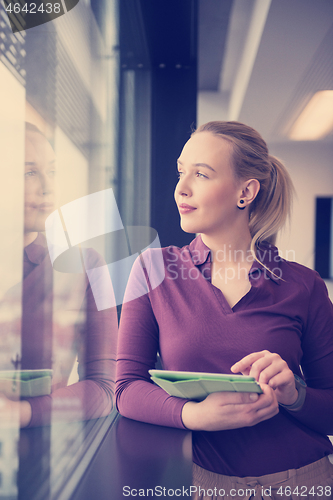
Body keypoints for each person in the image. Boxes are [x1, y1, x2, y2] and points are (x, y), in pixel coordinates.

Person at [115, 121, 333, 499]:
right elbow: (125, 389)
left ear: (245, 192)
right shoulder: (153, 271)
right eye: (182, 172)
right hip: (200, 485)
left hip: (305, 483)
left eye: (201, 174)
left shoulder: (304, 284)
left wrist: (293, 394)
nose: (181, 188)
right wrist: (194, 416)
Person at [0, 122, 118, 427]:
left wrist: (19, 414)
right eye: (29, 172)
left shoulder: (86, 265)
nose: (48, 187)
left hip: (42, 462)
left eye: (51, 171)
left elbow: (104, 389)